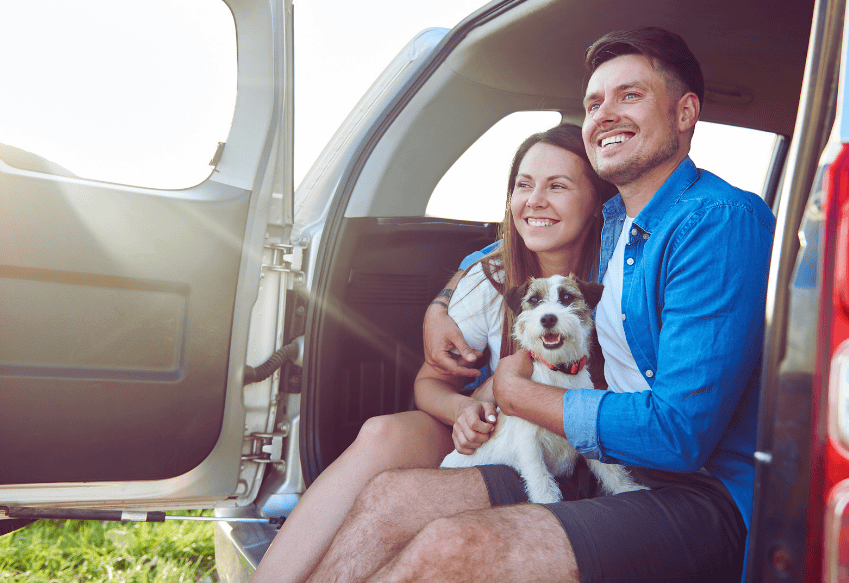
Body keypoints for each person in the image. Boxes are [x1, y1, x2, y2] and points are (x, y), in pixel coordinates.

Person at [306, 27, 775, 583]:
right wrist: (444, 299)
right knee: (392, 497)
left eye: (631, 95)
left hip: (695, 490)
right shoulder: (617, 228)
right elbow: (525, 238)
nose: (605, 114)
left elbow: (678, 434)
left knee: (452, 547)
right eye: (594, 102)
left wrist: (517, 393)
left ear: (685, 112)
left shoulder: (715, 221)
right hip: (597, 462)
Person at [249, 124, 615, 583]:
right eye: (523, 185)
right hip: (498, 434)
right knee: (382, 433)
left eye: (557, 186)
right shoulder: (490, 278)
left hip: (580, 445)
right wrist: (464, 408)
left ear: (599, 202)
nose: (534, 200)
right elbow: (429, 383)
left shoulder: (620, 274)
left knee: (399, 498)